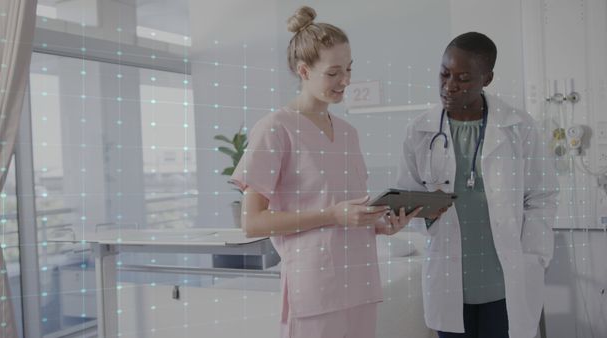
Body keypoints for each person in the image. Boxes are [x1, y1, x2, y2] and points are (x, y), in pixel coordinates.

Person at [230, 6, 422, 338]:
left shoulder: (348, 132)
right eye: (334, 72)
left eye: (348, 69)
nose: (345, 81)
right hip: (316, 288)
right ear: (304, 71)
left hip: (360, 281)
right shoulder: (276, 129)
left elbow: (345, 209)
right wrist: (332, 215)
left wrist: (378, 224)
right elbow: (252, 222)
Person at [396, 32, 558, 338]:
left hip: (506, 281)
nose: (449, 85)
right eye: (444, 74)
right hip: (450, 280)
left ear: (488, 78)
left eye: (464, 78)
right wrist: (426, 211)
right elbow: (408, 197)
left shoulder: (518, 126)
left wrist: (535, 254)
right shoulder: (419, 131)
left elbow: (542, 196)